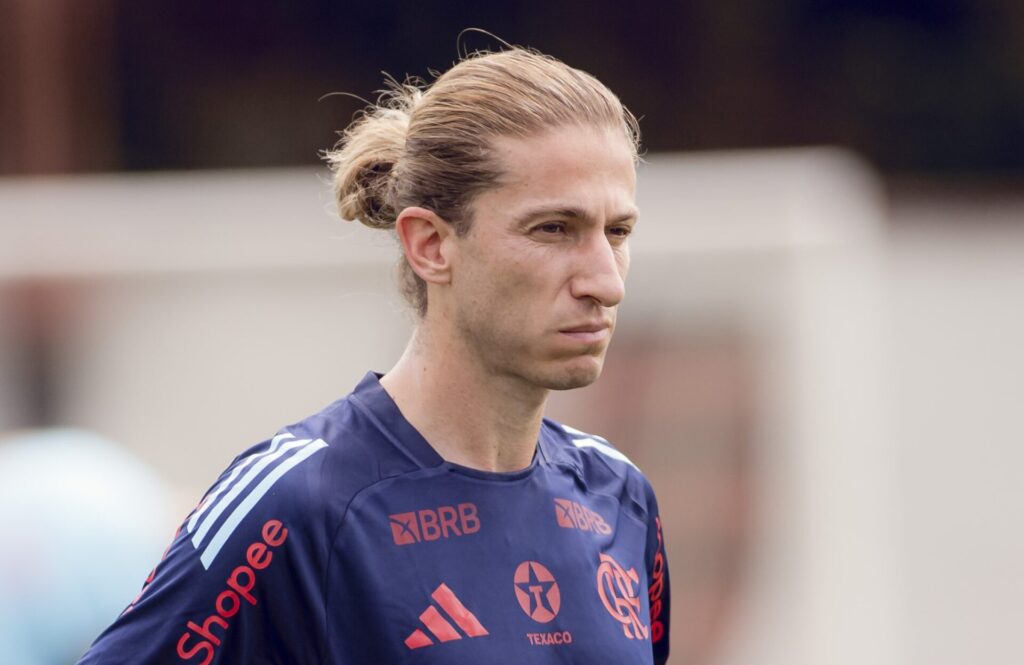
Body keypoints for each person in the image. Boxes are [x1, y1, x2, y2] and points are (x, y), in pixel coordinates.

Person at [78, 45, 670, 664]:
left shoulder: (620, 498)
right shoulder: (295, 505)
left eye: (618, 233)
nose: (607, 281)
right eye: (553, 229)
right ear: (431, 245)